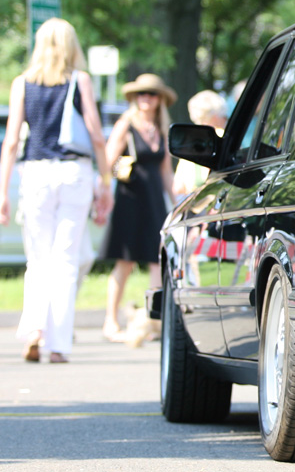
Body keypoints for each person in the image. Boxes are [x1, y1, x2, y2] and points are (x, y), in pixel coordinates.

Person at [0, 18, 113, 363]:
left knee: (38, 259)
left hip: (35, 173)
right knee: (65, 259)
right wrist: (105, 182)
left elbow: (11, 141)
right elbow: (96, 134)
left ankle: (35, 330)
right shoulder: (80, 81)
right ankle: (59, 344)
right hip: (73, 172)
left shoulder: (23, 83)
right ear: (71, 46)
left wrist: (3, 191)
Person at [99, 73, 176, 341]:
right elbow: (107, 161)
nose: (146, 99)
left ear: (160, 100)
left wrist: (177, 201)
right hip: (130, 198)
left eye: (152, 94)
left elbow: (166, 171)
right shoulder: (126, 125)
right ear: (135, 98)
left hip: (154, 199)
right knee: (125, 261)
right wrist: (102, 193)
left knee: (157, 259)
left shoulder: (163, 129)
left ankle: (152, 322)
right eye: (142, 94)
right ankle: (110, 321)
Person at [172, 89, 227, 200]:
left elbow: (178, 188)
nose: (226, 119)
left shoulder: (189, 142)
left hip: (195, 203)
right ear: (216, 116)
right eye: (225, 116)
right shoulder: (223, 136)